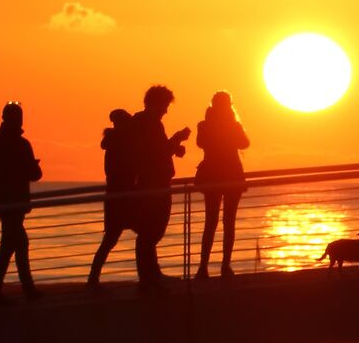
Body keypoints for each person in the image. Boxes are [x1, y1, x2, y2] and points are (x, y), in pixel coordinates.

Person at [120, 84, 189, 288]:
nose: (166, 110)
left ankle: (151, 273)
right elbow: (156, 154)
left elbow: (158, 150)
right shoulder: (148, 123)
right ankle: (148, 276)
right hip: (153, 184)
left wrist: (175, 147)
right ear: (156, 104)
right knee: (152, 230)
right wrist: (177, 138)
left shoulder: (143, 123)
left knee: (151, 231)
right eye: (165, 105)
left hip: (153, 182)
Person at [0, 101, 42, 300]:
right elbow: (35, 174)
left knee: (13, 243)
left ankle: (3, 289)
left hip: (3, 201)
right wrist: (23, 167)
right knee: (16, 243)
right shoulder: (21, 144)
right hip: (13, 202)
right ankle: (12, 289)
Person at [195, 90, 249, 277]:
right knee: (228, 222)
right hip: (232, 175)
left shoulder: (204, 125)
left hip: (212, 176)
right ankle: (225, 266)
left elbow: (201, 143)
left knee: (211, 222)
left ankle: (203, 267)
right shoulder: (232, 125)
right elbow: (245, 143)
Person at [86, 108, 137, 285]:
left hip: (116, 194)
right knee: (143, 234)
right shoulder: (123, 143)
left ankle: (93, 276)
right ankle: (93, 277)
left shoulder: (114, 142)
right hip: (123, 195)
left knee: (111, 239)